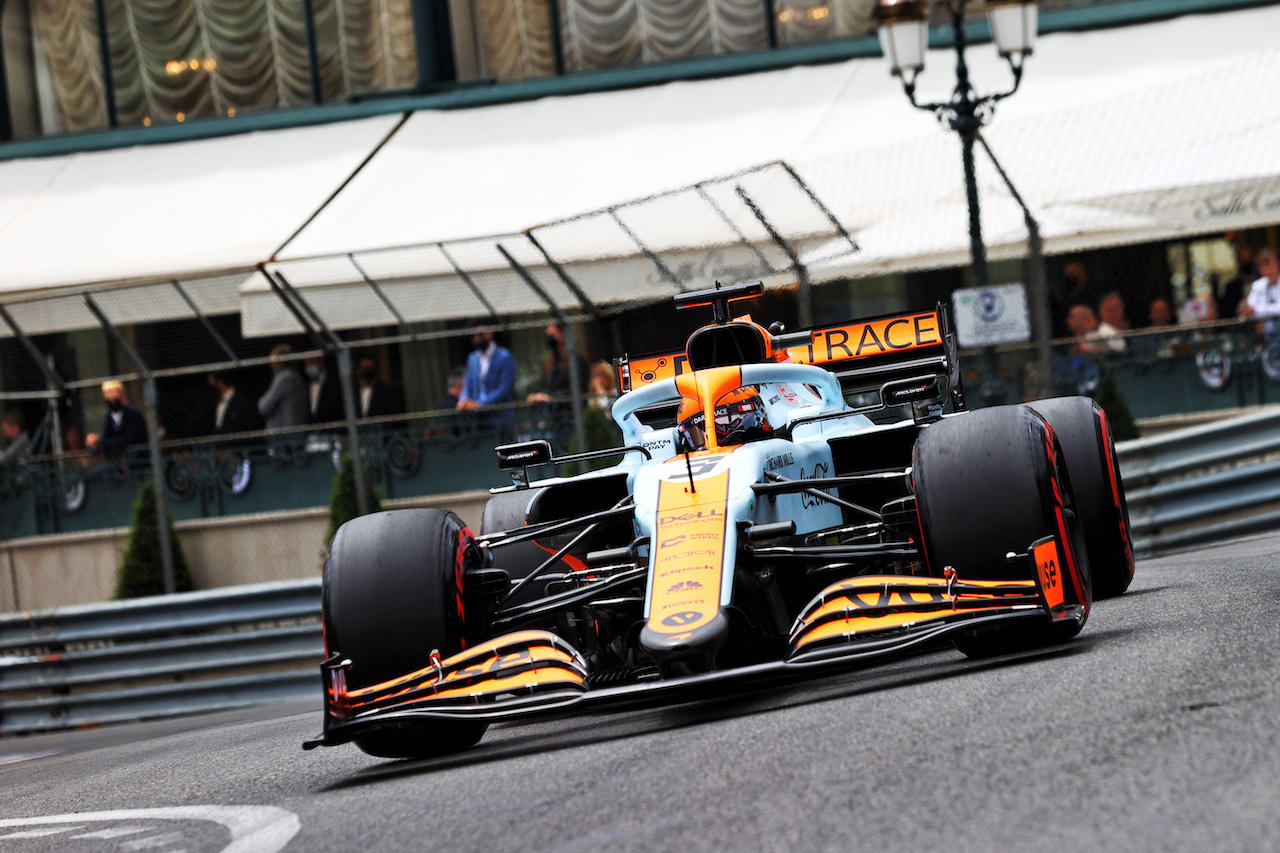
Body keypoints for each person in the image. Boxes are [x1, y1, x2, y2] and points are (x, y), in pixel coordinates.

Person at [457, 328, 517, 435]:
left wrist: (480, 404)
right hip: (480, 421)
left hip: (500, 419)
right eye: (474, 336)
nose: (476, 339)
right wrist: (463, 400)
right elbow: (468, 384)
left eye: (480, 335)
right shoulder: (472, 358)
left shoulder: (504, 356)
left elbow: (504, 388)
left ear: (489, 333)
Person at [85, 381, 148, 472]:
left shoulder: (132, 413)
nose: (111, 398)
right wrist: (95, 441)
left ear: (121, 395)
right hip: (119, 461)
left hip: (139, 460)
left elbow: (128, 439)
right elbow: (107, 437)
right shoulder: (110, 416)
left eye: (113, 393)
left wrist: (100, 441)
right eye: (108, 394)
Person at [527, 322, 588, 405]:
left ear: (563, 334)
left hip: (573, 408)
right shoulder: (556, 361)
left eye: (553, 334)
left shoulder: (576, 360)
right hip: (558, 410)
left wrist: (551, 397)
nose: (552, 339)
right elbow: (552, 387)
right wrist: (541, 396)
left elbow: (577, 389)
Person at [257, 344, 309, 431]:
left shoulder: (285, 377)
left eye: (273, 359)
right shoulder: (291, 375)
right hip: (289, 432)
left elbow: (264, 406)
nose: (271, 363)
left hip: (285, 435)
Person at [1239, 247, 1280, 323]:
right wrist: (1245, 310)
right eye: (1263, 267)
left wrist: (1256, 311)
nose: (1268, 270)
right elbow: (1246, 314)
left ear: (1277, 264)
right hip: (1266, 332)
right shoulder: (1257, 286)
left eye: (1270, 265)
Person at [356, 353, 403, 418]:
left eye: (371, 368)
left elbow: (394, 414)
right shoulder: (351, 392)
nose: (368, 372)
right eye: (365, 368)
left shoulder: (386, 391)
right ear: (358, 370)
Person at [1217, 246, 1256, 321]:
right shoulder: (1231, 287)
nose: (1246, 264)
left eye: (1248, 260)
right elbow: (1226, 311)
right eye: (1243, 262)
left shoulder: (1262, 283)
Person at [304, 355, 343, 425]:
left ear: (321, 362)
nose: (309, 366)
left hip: (332, 429)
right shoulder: (307, 384)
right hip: (313, 430)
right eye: (307, 363)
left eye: (312, 362)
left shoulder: (334, 382)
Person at [0, 410, 32, 485]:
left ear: (15, 428)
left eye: (7, 430)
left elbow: (6, 457)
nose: (6, 433)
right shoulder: (19, 440)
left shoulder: (22, 441)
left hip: (21, 480)